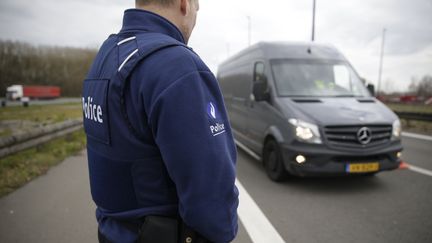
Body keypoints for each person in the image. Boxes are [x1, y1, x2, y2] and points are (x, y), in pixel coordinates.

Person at [81, 0, 239, 242]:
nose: (196, 17)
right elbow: (210, 193)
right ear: (184, 4)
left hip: (112, 232)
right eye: (198, 8)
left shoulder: (107, 56)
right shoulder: (178, 66)